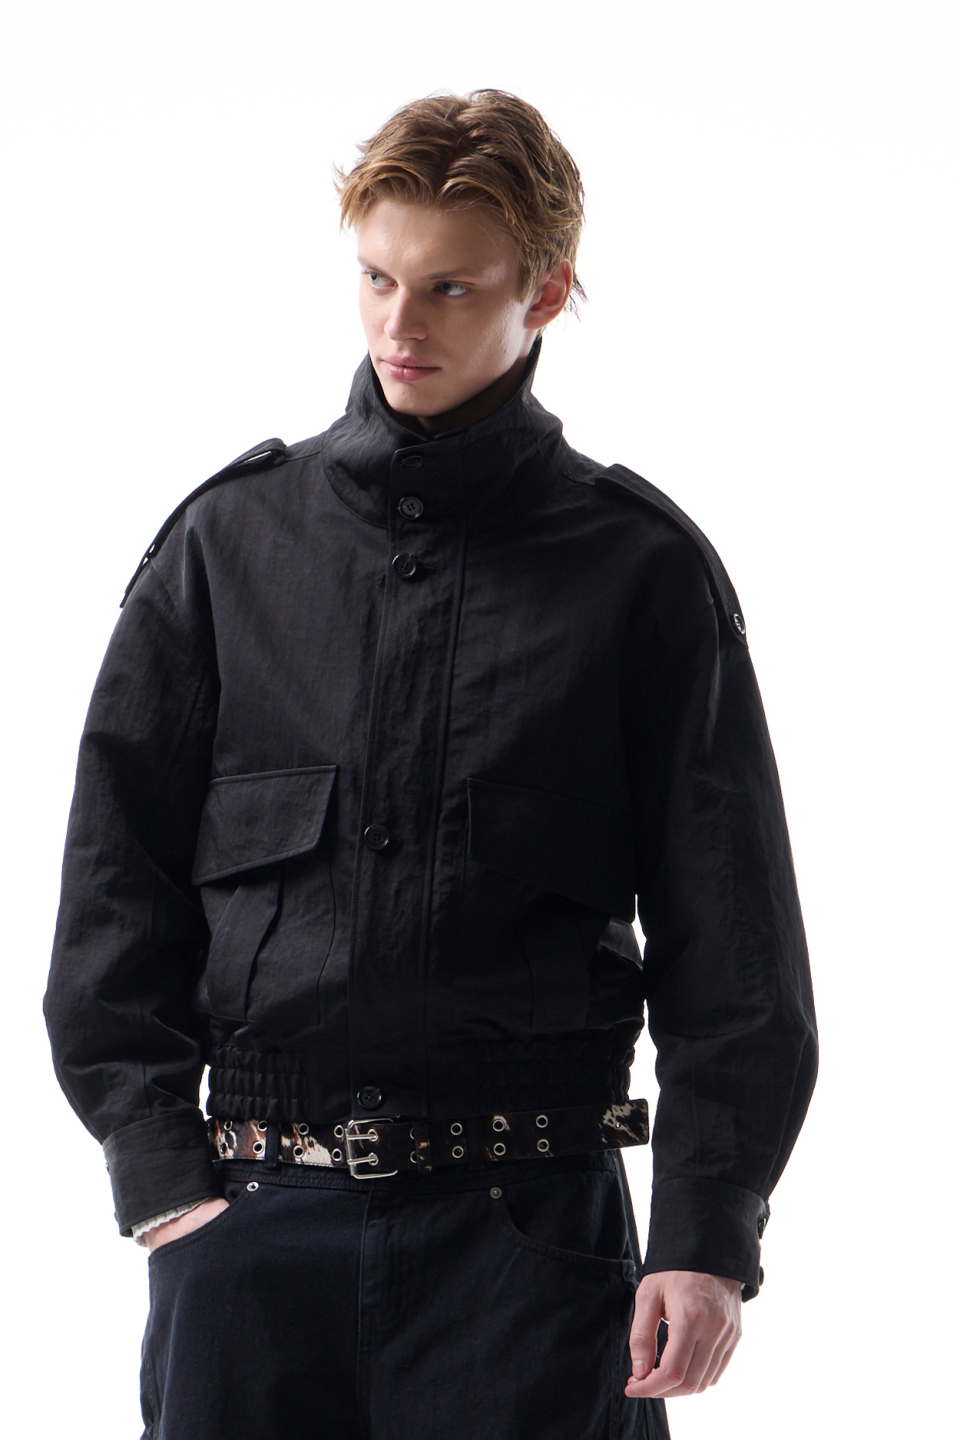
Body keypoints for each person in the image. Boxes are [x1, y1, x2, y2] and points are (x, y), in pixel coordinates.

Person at [44, 89, 817, 1440]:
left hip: (533, 1249)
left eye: (450, 289)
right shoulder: (226, 548)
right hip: (251, 1244)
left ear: (546, 292)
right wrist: (161, 1178)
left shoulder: (639, 573)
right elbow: (116, 891)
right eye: (377, 279)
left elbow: (734, 944)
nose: (400, 326)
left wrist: (706, 1234)